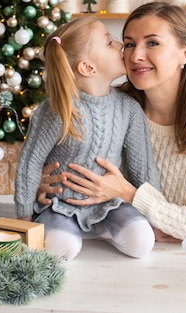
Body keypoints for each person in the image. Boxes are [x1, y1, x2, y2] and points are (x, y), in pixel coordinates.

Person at [37, 2, 186, 243]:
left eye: (153, 43)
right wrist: (44, 184)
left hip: (184, 261)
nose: (135, 56)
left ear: (184, 53)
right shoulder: (112, 109)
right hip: (105, 249)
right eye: (129, 44)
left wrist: (128, 193)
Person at [14, 17, 160, 260]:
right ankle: (69, 231)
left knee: (142, 243)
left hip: (109, 205)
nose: (119, 45)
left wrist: (154, 215)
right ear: (88, 68)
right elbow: (30, 162)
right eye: (109, 42)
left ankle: (104, 230)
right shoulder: (58, 110)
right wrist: (23, 219)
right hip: (60, 205)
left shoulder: (128, 109)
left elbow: (142, 166)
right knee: (62, 249)